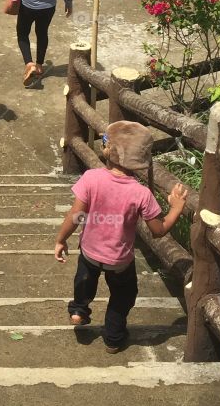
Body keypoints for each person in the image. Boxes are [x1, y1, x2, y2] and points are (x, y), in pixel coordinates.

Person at [53, 121, 189, 352]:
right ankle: (113, 339)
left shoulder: (91, 178)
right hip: (119, 261)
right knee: (123, 296)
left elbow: (75, 215)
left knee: (84, 281)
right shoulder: (141, 193)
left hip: (89, 252)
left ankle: (78, 310)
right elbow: (158, 231)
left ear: (107, 150)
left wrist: (60, 240)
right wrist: (175, 208)